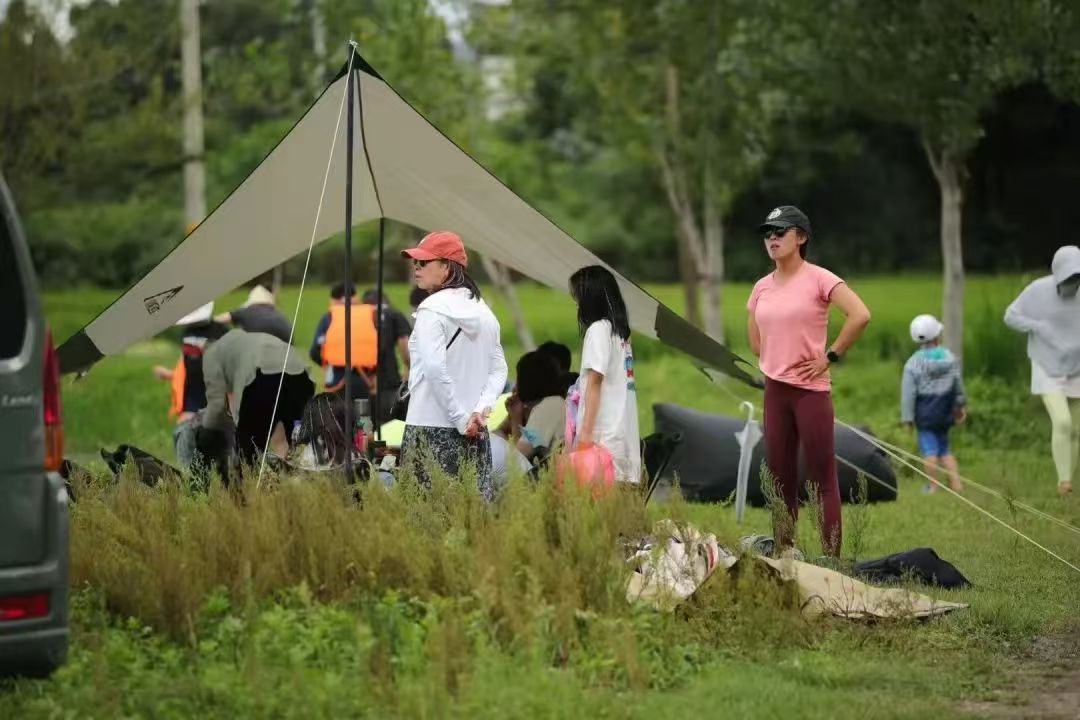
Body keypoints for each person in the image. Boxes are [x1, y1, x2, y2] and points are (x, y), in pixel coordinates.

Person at [746, 205, 870, 558]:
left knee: (820, 476)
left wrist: (829, 356)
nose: (772, 238)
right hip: (775, 391)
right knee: (780, 475)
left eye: (780, 231)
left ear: (800, 237)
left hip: (810, 393)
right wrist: (775, 360)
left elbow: (860, 315)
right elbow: (756, 342)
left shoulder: (820, 278)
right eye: (768, 232)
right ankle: (785, 552)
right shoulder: (761, 287)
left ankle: (831, 558)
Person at [399, 230, 507, 501]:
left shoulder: (431, 310)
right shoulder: (486, 313)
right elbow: (499, 370)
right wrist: (480, 411)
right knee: (470, 517)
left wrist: (460, 419)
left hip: (428, 426)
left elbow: (434, 369)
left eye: (424, 262)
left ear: (446, 266)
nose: (416, 267)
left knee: (424, 519)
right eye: (415, 262)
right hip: (475, 432)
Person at [1004, 245, 1080, 496]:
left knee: (1076, 429)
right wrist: (1038, 326)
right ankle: (1063, 483)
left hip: (1076, 366)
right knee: (1062, 421)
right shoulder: (1037, 291)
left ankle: (1068, 481)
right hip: (1046, 365)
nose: (1074, 282)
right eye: (1070, 277)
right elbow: (1010, 316)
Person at [199, 328, 315, 479]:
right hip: (301, 377)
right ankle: (303, 488)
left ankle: (244, 497)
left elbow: (217, 406)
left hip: (264, 377)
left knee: (248, 450)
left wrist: (204, 436)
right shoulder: (244, 341)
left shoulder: (211, 352)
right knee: (298, 444)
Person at [565, 265, 641, 484]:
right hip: (622, 433)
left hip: (602, 436)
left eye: (578, 296)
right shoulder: (620, 332)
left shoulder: (598, 330)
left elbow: (595, 383)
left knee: (596, 504)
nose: (577, 303)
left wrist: (586, 435)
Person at [901, 314, 967, 493]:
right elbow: (957, 383)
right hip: (945, 410)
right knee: (945, 449)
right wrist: (960, 405)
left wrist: (907, 418)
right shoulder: (949, 357)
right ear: (937, 335)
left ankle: (933, 485)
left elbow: (908, 394)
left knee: (929, 451)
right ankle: (957, 484)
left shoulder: (913, 364)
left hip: (925, 412)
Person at [308, 282, 377, 403]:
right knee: (363, 419)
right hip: (364, 381)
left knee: (337, 420)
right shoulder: (369, 316)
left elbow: (314, 351)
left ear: (335, 299)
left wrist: (327, 363)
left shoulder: (329, 317)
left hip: (337, 379)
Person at [506, 350, 568, 468]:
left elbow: (519, 456)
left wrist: (515, 419)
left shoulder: (549, 407)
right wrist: (516, 417)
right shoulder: (554, 403)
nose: (515, 386)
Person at [362, 288, 413, 425]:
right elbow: (405, 347)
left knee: (362, 427)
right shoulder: (394, 314)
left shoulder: (357, 317)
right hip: (388, 380)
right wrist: (408, 370)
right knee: (386, 427)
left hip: (361, 381)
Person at [214, 285, 293, 343]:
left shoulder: (246, 311)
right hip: (285, 349)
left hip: (258, 348)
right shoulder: (279, 315)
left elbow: (219, 320)